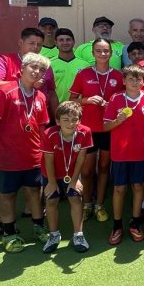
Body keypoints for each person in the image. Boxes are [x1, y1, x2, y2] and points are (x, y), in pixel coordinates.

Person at [0, 52, 52, 253]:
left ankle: (38, 227)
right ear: (22, 69)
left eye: (42, 69)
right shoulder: (6, 92)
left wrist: (47, 152)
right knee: (7, 196)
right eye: (33, 67)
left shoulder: (41, 97)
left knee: (34, 193)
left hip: (33, 156)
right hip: (6, 158)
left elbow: (43, 127)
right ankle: (9, 233)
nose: (37, 72)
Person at [102, 64, 144, 244]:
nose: (135, 82)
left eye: (139, 79)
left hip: (141, 152)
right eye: (131, 79)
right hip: (120, 153)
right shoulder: (115, 99)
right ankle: (117, 225)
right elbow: (105, 126)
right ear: (124, 81)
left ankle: (135, 223)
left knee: (137, 187)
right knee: (119, 189)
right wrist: (117, 121)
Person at [69, 37, 123, 222]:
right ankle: (87, 204)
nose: (102, 54)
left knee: (104, 167)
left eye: (106, 51)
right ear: (93, 53)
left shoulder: (117, 75)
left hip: (109, 128)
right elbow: (71, 99)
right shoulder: (83, 74)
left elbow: (124, 100)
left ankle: (99, 204)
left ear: (111, 53)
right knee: (87, 170)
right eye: (98, 51)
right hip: (88, 129)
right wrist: (87, 100)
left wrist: (113, 104)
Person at [39, 100, 91, 253]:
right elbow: (48, 160)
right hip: (51, 173)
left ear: (79, 120)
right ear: (57, 121)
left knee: (75, 198)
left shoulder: (85, 132)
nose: (70, 123)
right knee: (52, 199)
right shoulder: (49, 134)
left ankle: (78, 235)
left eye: (74, 119)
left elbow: (81, 158)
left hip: (72, 173)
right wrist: (52, 183)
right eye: (66, 120)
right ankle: (54, 235)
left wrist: (74, 181)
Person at [0, 27, 59, 120]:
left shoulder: (45, 64)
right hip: (11, 114)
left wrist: (58, 117)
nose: (35, 47)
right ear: (21, 42)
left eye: (39, 45)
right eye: (31, 43)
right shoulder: (6, 60)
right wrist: (26, 84)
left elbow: (52, 93)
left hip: (39, 115)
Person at [49, 28, 89, 103]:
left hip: (79, 108)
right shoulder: (49, 64)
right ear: (56, 43)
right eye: (61, 40)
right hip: (57, 108)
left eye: (68, 40)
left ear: (73, 42)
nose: (65, 43)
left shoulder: (85, 64)